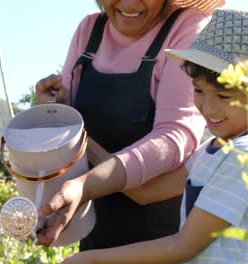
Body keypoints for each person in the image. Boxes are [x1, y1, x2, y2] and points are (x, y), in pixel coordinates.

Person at [56, 8, 248, 263]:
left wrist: (92, 259)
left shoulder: (244, 155)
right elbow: (144, 192)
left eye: (223, 96)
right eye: (199, 91)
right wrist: (82, 142)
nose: (208, 108)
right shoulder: (213, 150)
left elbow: (183, 245)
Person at [35, 0, 225, 249]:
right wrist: (57, 107)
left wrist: (86, 183)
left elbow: (175, 135)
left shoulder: (186, 26)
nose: (129, 3)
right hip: (96, 234)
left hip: (164, 242)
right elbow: (71, 124)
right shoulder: (89, 29)